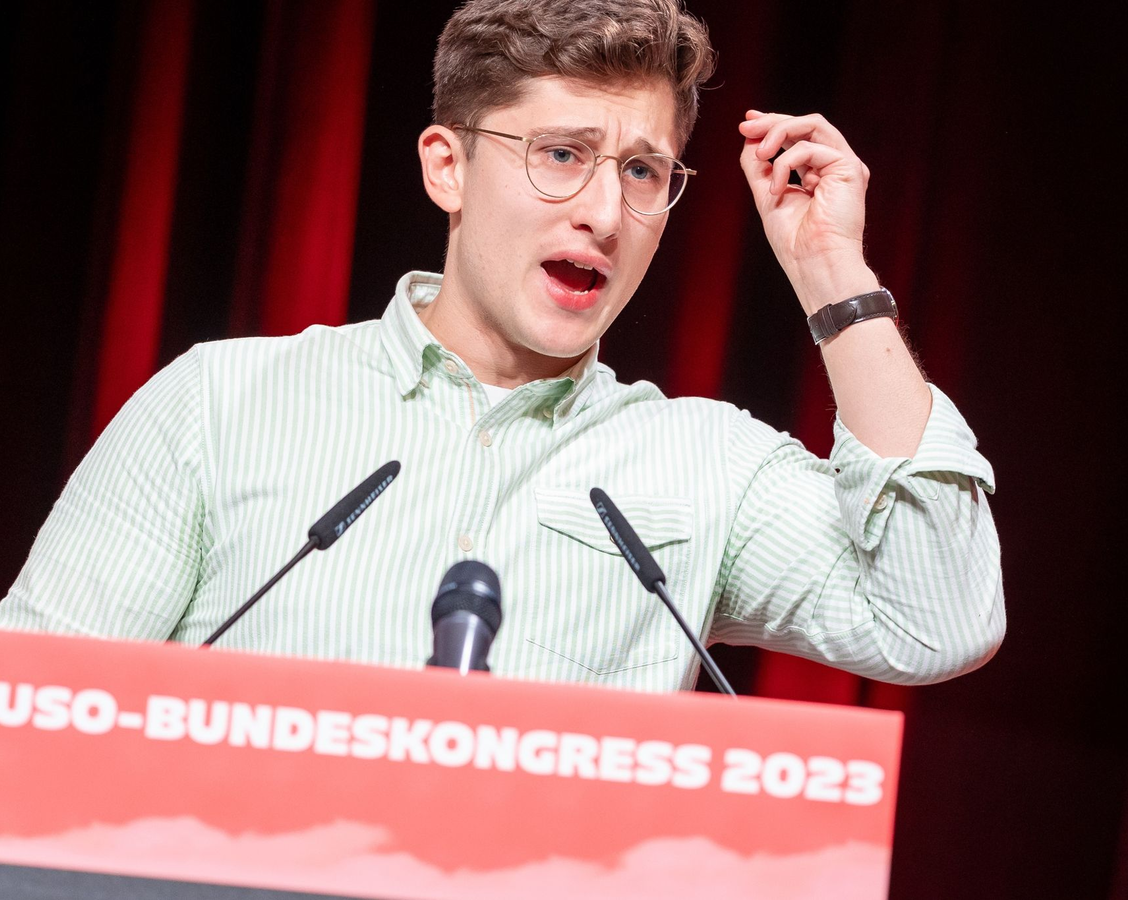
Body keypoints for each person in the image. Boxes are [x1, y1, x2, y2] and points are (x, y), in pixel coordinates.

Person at [0, 0, 1003, 692]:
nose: (604, 212)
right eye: (563, 155)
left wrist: (834, 275)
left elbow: (936, 621)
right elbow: (31, 715)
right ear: (449, 167)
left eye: (644, 172)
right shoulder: (219, 405)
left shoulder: (708, 466)